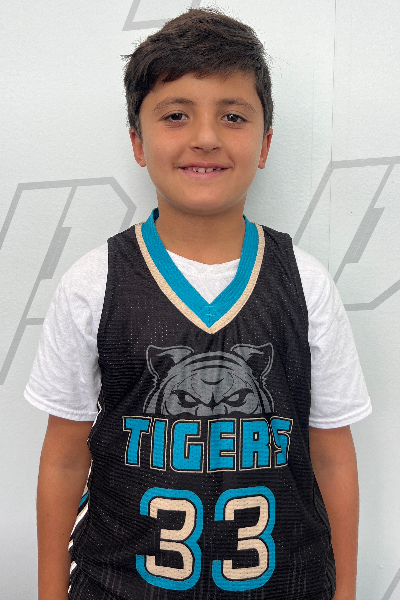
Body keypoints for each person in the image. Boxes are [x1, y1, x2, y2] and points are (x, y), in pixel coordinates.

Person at [25, 7, 371, 600]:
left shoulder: (305, 284)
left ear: (264, 144)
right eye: (176, 115)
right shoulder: (93, 283)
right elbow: (62, 460)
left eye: (232, 116)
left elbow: (333, 457)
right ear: (137, 141)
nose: (206, 136)